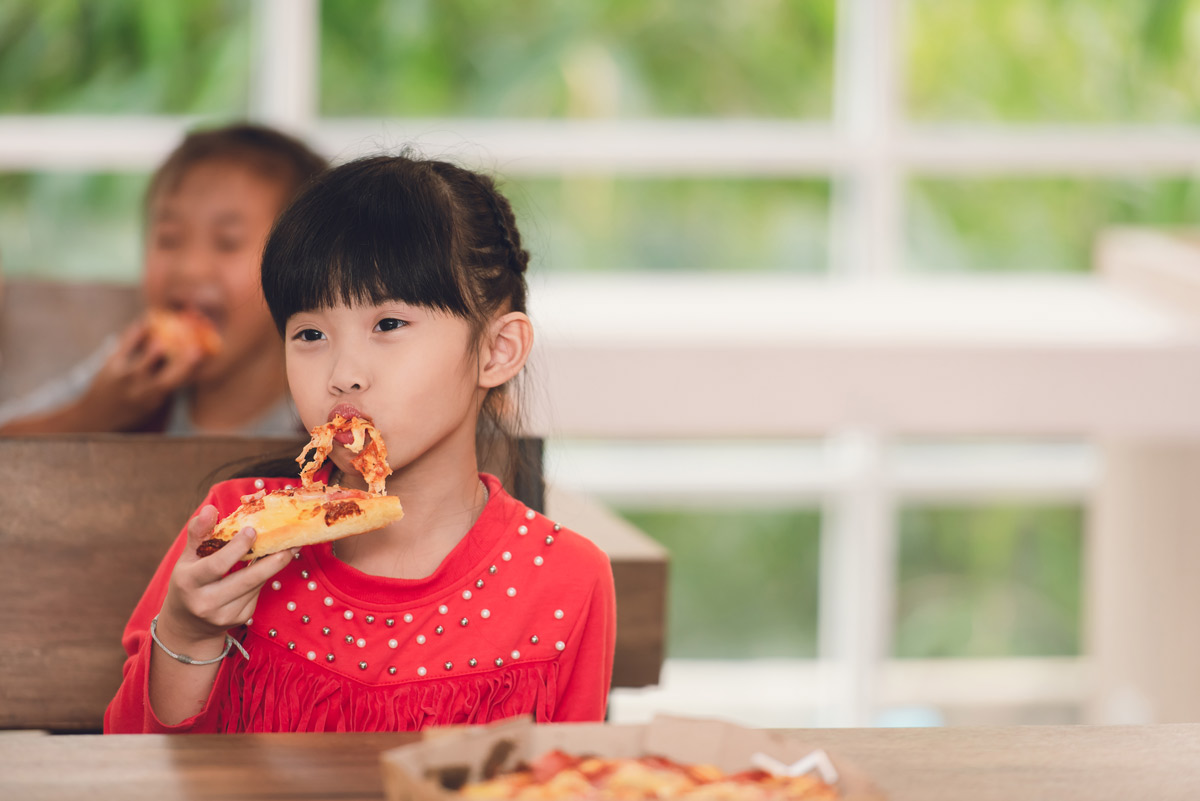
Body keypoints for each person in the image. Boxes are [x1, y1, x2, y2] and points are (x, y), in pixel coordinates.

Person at [104, 154, 617, 733]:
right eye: (311, 334)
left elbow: (566, 778)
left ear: (497, 350)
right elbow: (137, 769)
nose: (343, 373)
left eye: (388, 325)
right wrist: (188, 632)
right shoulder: (234, 529)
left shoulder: (568, 579)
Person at [0, 123, 327, 436]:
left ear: (301, 270)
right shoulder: (124, 374)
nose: (190, 268)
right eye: (169, 238)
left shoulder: (333, 410)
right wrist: (90, 416)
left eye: (227, 242)